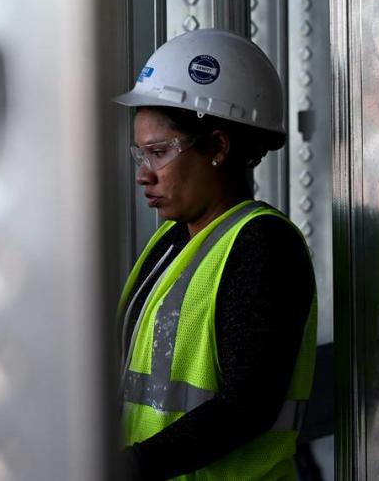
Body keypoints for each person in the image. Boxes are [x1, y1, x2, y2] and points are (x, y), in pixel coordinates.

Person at [112, 29, 317, 480]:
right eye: (139, 155)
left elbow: (249, 406)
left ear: (219, 148)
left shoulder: (263, 247)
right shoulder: (171, 244)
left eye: (159, 153)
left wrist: (130, 467)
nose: (144, 175)